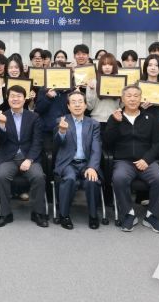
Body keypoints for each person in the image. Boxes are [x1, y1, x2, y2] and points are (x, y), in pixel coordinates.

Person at [105, 85, 159, 233]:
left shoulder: (150, 118)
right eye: (129, 96)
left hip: (147, 161)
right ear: (122, 99)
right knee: (119, 178)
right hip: (124, 161)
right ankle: (128, 214)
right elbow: (107, 142)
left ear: (141, 99)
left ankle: (152, 216)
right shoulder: (115, 117)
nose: (132, 99)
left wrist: (146, 160)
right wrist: (115, 123)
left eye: (136, 96)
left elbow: (157, 143)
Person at [0, 85, 48, 228]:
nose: (15, 99)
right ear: (8, 98)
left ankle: (37, 213)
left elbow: (37, 142)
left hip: (29, 158)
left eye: (19, 96)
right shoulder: (2, 116)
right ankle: (5, 214)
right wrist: (2, 125)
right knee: (1, 176)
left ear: (25, 99)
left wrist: (29, 160)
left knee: (38, 176)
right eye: (12, 96)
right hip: (8, 158)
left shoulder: (34, 117)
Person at [53, 91, 102, 230]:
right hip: (68, 163)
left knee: (92, 180)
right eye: (73, 102)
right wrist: (62, 132)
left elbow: (96, 147)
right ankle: (64, 215)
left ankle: (93, 215)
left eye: (80, 101)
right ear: (68, 106)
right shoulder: (61, 121)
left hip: (86, 163)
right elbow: (56, 144)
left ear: (85, 105)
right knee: (69, 178)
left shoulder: (93, 124)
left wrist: (92, 167)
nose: (77, 105)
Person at [85, 53, 120, 132]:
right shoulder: (93, 82)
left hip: (114, 119)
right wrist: (91, 91)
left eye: (110, 64)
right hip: (96, 120)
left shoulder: (119, 82)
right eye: (104, 64)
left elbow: (121, 105)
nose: (107, 67)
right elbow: (89, 107)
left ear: (114, 66)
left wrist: (124, 95)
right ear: (100, 66)